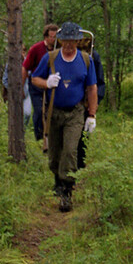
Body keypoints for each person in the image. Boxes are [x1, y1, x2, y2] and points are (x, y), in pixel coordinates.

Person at [32, 21, 97, 213]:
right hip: (54, 112)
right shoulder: (50, 58)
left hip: (75, 113)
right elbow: (34, 79)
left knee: (70, 151)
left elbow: (92, 88)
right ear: (60, 41)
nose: (68, 45)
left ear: (78, 41)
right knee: (54, 155)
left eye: (72, 41)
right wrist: (46, 83)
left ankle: (67, 190)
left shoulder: (86, 60)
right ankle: (57, 180)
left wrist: (91, 114)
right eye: (65, 41)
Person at [22, 23, 59, 141]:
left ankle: (49, 135)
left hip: (52, 86)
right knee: (38, 110)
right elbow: (25, 67)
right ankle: (39, 136)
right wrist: (21, 87)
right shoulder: (35, 49)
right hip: (36, 85)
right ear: (45, 37)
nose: (53, 39)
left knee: (51, 111)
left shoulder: (59, 49)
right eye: (51, 37)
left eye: (55, 37)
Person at [77, 47, 106, 170]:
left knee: (83, 135)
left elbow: (99, 82)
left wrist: (95, 102)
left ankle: (80, 164)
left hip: (86, 102)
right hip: (67, 102)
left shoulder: (93, 56)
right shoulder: (61, 55)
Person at [3, 46, 32, 127]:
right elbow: (4, 80)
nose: (21, 54)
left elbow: (32, 76)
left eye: (23, 51)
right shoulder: (10, 64)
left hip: (26, 93)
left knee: (27, 113)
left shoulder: (28, 62)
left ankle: (23, 130)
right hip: (14, 94)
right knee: (15, 116)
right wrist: (12, 89)